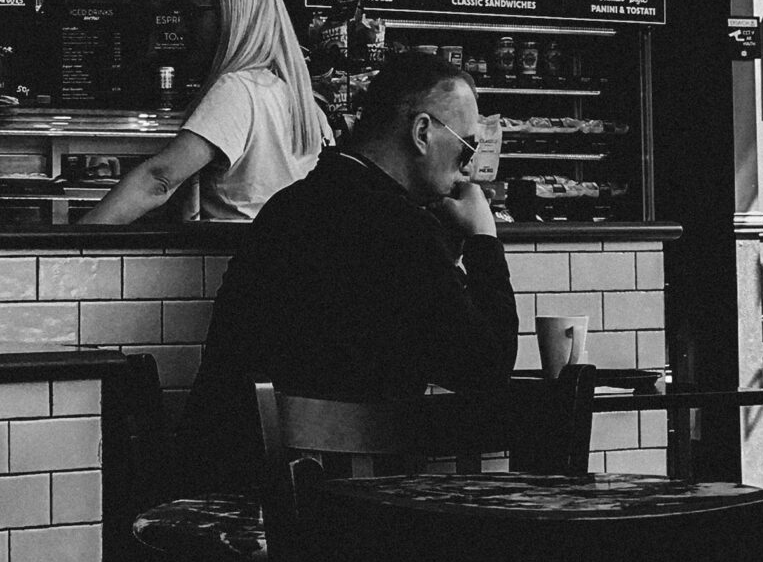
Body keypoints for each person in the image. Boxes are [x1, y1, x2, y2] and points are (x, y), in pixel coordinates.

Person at [180, 48, 519, 491]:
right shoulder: (401, 230)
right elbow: (488, 368)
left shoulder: (288, 208)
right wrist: (483, 239)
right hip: (340, 516)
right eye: (468, 145)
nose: (469, 166)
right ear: (421, 133)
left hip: (223, 483)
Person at [87, 0, 328, 226]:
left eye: (193, 13)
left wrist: (75, 243)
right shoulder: (304, 102)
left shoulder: (239, 89)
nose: (181, 28)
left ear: (231, 14)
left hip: (232, 254)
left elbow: (159, 180)